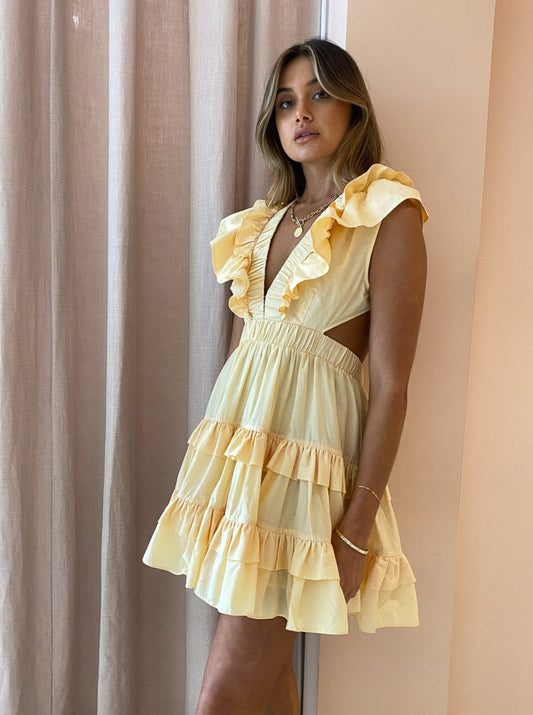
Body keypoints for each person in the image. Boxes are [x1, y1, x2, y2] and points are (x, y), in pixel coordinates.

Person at [143, 38, 427, 714]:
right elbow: (243, 362)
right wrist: (218, 481)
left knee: (222, 696)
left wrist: (356, 526)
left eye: (319, 94)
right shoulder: (258, 226)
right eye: (285, 101)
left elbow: (391, 384)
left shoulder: (387, 212)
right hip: (240, 477)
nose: (301, 113)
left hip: (305, 487)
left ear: (353, 107)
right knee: (267, 688)